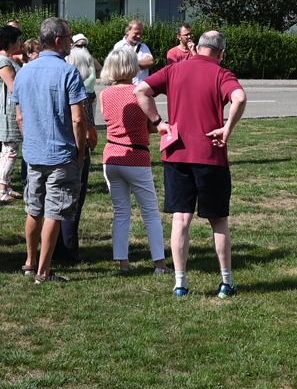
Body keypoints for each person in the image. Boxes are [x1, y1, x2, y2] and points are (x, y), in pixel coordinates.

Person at [135, 30, 246, 298]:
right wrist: (227, 128)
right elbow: (239, 98)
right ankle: (226, 282)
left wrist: (159, 123)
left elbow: (141, 90)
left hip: (177, 154)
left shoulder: (175, 69)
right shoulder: (222, 74)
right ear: (221, 52)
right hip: (211, 154)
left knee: (181, 219)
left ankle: (180, 284)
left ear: (198, 48)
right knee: (218, 220)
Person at [14, 16, 88, 284]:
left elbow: (19, 116)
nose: (71, 43)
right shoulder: (68, 72)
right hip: (61, 153)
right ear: (59, 41)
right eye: (69, 38)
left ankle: (30, 262)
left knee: (33, 208)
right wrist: (80, 152)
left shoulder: (23, 71)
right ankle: (44, 271)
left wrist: (31, 140)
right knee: (55, 211)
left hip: (34, 152)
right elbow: (78, 118)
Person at [100, 46, 168, 273]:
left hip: (111, 156)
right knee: (150, 211)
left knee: (121, 211)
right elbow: (151, 125)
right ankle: (159, 262)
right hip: (137, 155)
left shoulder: (105, 94)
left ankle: (123, 261)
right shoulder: (140, 92)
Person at [56, 32, 101, 263]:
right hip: (75, 152)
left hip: (54, 148)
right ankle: (69, 251)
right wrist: (89, 146)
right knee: (73, 204)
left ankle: (53, 249)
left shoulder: (58, 86)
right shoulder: (81, 94)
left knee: (53, 203)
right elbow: (88, 130)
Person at [0, 24, 25, 204]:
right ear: (10, 42)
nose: (21, 42)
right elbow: (14, 87)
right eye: (19, 39)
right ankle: (2, 190)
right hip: (9, 112)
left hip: (12, 110)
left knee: (10, 150)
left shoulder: (8, 59)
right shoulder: (3, 61)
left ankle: (7, 185)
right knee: (9, 151)